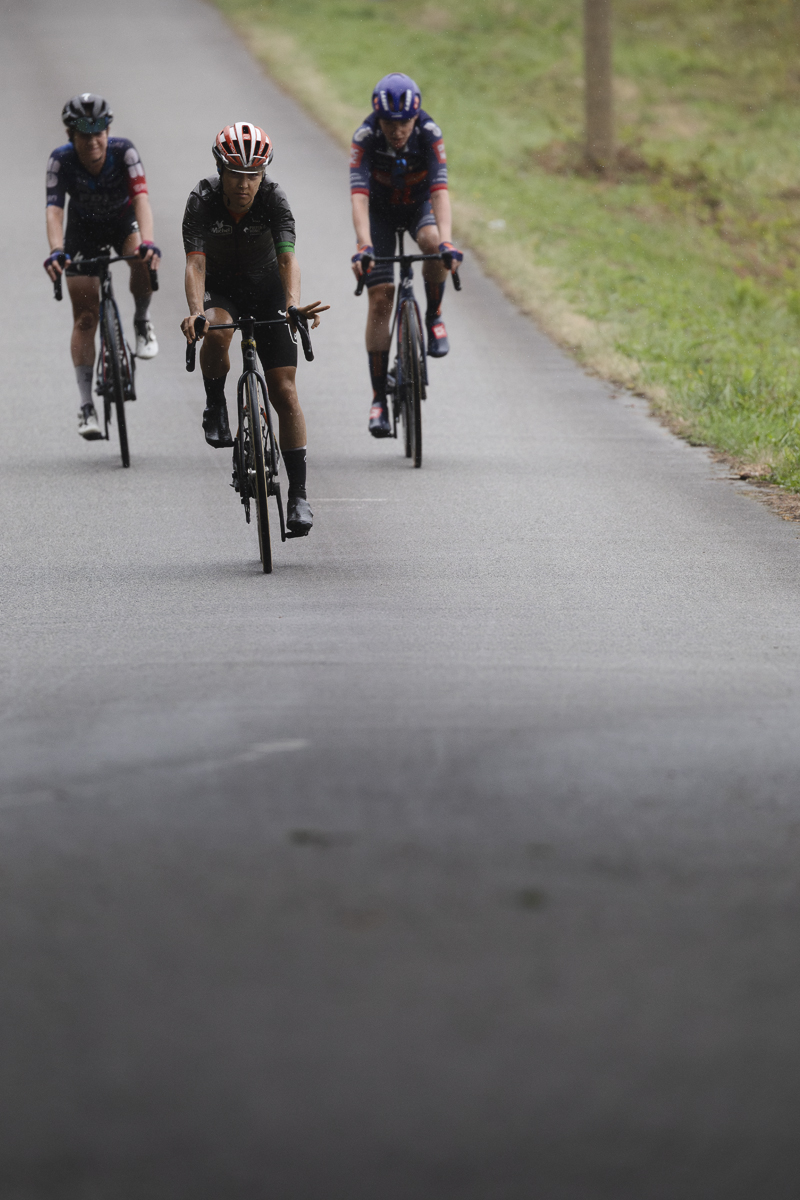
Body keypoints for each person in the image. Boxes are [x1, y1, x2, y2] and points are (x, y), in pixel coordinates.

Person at [181, 122, 327, 536]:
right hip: (222, 291)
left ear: (263, 175)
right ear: (220, 170)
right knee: (218, 330)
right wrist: (196, 312)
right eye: (236, 174)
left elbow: (287, 258)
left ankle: (298, 495)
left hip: (267, 290)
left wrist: (293, 302)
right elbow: (195, 264)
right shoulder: (202, 200)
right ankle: (215, 405)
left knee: (285, 391)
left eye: (254, 175)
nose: (245, 184)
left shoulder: (274, 198)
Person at [350, 72, 463, 438]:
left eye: (404, 123)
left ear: (415, 118)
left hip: (416, 207)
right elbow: (359, 197)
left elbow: (440, 191)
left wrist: (447, 242)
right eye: (389, 123)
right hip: (380, 216)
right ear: (377, 119)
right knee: (381, 298)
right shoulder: (365, 138)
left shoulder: (430, 133)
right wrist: (363, 246)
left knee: (431, 243)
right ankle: (379, 399)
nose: (397, 130)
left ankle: (433, 316)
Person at [43, 94, 160, 440]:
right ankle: (86, 406)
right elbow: (54, 210)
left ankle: (141, 320)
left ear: (108, 131)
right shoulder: (60, 161)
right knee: (85, 317)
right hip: (82, 230)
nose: (93, 141)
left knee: (140, 255)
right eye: (83, 134)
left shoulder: (124, 152)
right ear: (71, 134)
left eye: (99, 133)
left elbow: (141, 199)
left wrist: (149, 242)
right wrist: (56, 250)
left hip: (122, 222)